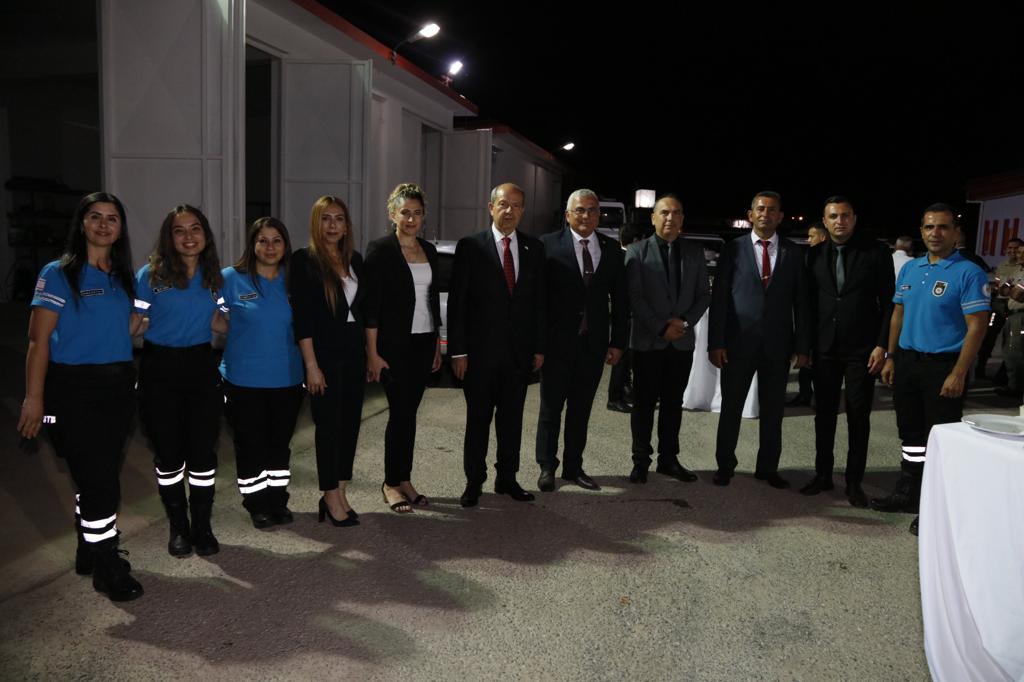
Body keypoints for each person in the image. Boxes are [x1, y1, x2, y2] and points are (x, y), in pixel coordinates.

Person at [17, 192, 143, 601]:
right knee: (100, 481)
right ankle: (107, 565)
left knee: (97, 475)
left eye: (112, 218)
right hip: (73, 389)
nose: (104, 225)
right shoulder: (58, 273)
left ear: (120, 229)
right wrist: (33, 399)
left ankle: (88, 547)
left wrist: (136, 327)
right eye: (95, 217)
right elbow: (38, 342)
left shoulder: (122, 276)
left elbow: (117, 329)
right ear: (82, 223)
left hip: (118, 386)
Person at [873, 203, 989, 535]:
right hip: (908, 362)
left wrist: (959, 372)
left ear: (956, 232)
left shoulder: (969, 272)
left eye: (942, 227)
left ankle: (935, 507)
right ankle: (909, 492)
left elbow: (977, 326)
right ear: (921, 232)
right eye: (928, 227)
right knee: (911, 434)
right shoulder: (911, 268)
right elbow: (898, 314)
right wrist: (891, 356)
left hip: (943, 366)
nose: (935, 233)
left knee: (940, 439)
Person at [448, 182, 545, 507]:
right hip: (478, 356)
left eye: (516, 205)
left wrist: (538, 347)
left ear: (523, 211)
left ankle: (507, 478)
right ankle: (474, 481)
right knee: (478, 422)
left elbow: (537, 303)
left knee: (511, 422)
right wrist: (458, 351)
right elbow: (458, 303)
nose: (509, 211)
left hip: (518, 356)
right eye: (504, 204)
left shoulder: (533, 248)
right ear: (491, 208)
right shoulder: (470, 246)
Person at [135, 205, 224, 556]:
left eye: (195, 228)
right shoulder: (150, 275)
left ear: (205, 235)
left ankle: (202, 525)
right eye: (179, 230)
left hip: (201, 367)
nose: (188, 237)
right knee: (168, 454)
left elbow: (221, 320)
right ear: (168, 237)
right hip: (159, 368)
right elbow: (134, 323)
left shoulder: (214, 275)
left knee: (203, 452)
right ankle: (178, 527)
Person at [708, 191, 809, 489]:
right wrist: (716, 342)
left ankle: (768, 468)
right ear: (750, 215)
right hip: (737, 344)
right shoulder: (733, 249)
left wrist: (802, 346)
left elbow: (801, 303)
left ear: (780, 216)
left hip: (777, 347)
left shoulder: (793, 253)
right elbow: (720, 298)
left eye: (772, 209)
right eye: (760, 209)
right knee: (731, 408)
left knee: (773, 411)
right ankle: (725, 465)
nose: (766, 214)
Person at [799, 197, 894, 507]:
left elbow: (889, 303)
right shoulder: (812, 255)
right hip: (824, 348)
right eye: (833, 216)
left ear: (854, 218)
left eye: (845, 215)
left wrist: (882, 345)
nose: (839, 221)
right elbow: (806, 306)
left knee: (858, 417)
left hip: (862, 350)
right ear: (824, 221)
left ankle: (854, 482)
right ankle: (823, 475)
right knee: (824, 415)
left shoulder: (876, 253)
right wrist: (804, 347)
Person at [535, 189, 628, 492]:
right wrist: (538, 345)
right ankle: (547, 466)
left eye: (592, 210)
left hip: (593, 345)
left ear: (599, 215)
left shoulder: (612, 250)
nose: (586, 216)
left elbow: (621, 301)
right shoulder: (547, 245)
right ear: (567, 215)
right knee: (551, 410)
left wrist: (618, 342)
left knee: (581, 410)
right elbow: (537, 301)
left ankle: (573, 467)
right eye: (580, 210)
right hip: (556, 346)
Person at [220, 217, 304, 528]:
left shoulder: (295, 281)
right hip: (243, 380)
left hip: (288, 378)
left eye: (276, 240)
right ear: (252, 244)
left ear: (285, 245)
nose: (270, 247)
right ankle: (256, 503)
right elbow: (213, 318)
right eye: (263, 240)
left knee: (279, 445)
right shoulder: (230, 278)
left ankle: (277, 498)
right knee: (251, 445)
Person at [364, 184, 442, 512]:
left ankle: (404, 479)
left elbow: (432, 300)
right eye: (405, 213)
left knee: (409, 414)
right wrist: (372, 353)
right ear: (392, 214)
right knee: (400, 413)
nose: (411, 219)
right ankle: (390, 483)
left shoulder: (429, 250)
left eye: (417, 213)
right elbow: (371, 306)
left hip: (423, 342)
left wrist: (436, 344)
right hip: (393, 346)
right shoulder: (381, 250)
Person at [290, 196, 366, 526]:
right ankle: (329, 493)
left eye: (339, 219)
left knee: (350, 426)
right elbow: (303, 318)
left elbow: (363, 311)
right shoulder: (304, 261)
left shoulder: (355, 260)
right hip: (323, 357)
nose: (333, 225)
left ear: (347, 226)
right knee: (329, 427)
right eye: (326, 218)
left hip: (354, 355)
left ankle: (341, 490)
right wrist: (311, 365)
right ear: (316, 223)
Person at [624, 194, 710, 484]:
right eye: (664, 212)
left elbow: (703, 295)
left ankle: (668, 460)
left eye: (676, 212)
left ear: (682, 218)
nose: (670, 217)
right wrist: (661, 328)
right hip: (648, 343)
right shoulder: (636, 251)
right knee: (644, 404)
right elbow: (635, 297)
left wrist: (682, 323)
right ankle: (640, 461)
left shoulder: (694, 253)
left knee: (673, 404)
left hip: (681, 342)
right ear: (653, 218)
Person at [607, 222, 647, 413]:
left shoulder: (618, 256)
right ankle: (615, 397)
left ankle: (625, 391)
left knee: (627, 358)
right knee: (622, 358)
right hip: (627, 315)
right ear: (637, 240)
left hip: (625, 315)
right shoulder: (628, 259)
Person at [788, 222, 828, 408]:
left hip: (820, 318)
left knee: (816, 360)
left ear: (823, 237)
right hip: (808, 317)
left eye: (812, 236)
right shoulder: (809, 256)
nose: (808, 240)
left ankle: (816, 396)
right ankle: (805, 393)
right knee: (805, 357)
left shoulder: (819, 258)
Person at [977, 237, 1022, 380]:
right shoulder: (1002, 265)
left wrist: (1006, 290)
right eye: (1010, 248)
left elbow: (1013, 291)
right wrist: (994, 290)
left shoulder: (1021, 267)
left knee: (1011, 342)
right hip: (998, 305)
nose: (1013, 251)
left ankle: (1005, 376)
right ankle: (979, 369)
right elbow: (998, 286)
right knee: (989, 337)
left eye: (1016, 248)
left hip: (1014, 307)